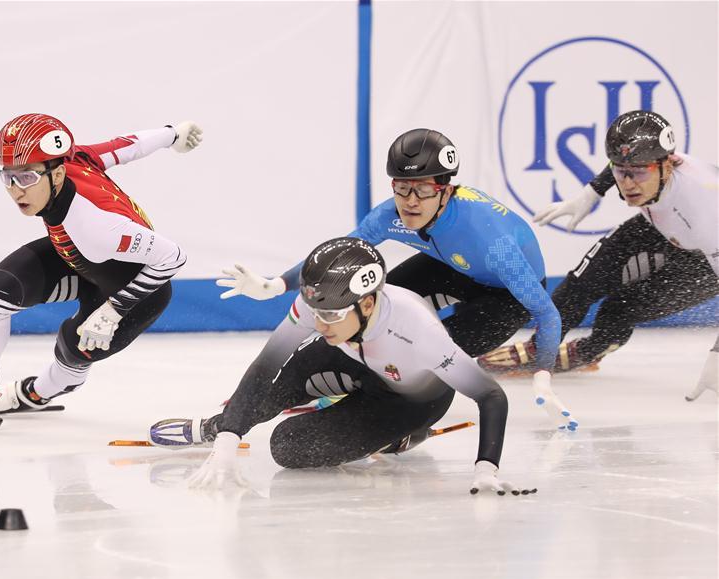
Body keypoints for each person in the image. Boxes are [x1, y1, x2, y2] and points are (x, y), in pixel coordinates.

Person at [215, 128, 574, 428]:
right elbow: (339, 258)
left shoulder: (491, 240)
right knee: (371, 306)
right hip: (452, 267)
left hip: (506, 297)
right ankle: (310, 382)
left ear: (446, 190)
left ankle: (394, 419)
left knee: (430, 352)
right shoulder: (389, 215)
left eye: (422, 190)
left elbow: (547, 313)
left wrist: (543, 371)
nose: (410, 201)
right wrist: (275, 285)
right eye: (402, 188)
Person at [150, 237, 536, 495]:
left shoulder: (418, 330)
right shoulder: (324, 311)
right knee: (294, 368)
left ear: (368, 303)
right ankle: (219, 425)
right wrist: (229, 439)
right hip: (354, 355)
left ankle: (397, 436)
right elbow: (266, 364)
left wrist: (486, 468)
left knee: (288, 447)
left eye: (330, 314)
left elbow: (490, 394)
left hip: (409, 401)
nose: (318, 323)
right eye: (314, 312)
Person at [0, 113, 202, 418]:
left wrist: (114, 309)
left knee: (72, 348)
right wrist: (172, 134)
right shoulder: (76, 158)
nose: (16, 190)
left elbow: (173, 256)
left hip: (136, 290)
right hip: (79, 259)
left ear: (58, 174)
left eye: (26, 177)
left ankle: (37, 393)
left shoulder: (96, 226)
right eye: (7, 176)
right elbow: (126, 146)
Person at [479, 110, 718, 400]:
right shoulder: (650, 166)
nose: (628, 183)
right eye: (622, 172)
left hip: (704, 264)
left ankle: (590, 351)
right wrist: (590, 194)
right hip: (658, 228)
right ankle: (538, 348)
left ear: (668, 165)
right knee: (580, 285)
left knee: (618, 311)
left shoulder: (705, 208)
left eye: (639, 172)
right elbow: (623, 162)